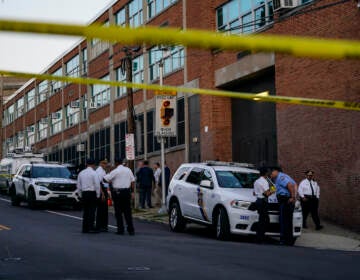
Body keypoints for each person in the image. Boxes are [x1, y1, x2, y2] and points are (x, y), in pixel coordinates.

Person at [104, 158, 135, 235]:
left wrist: (110, 172)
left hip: (118, 193)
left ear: (116, 163)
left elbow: (105, 179)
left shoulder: (115, 171)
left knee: (118, 212)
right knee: (128, 212)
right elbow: (132, 181)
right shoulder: (128, 170)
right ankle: (131, 230)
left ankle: (120, 229)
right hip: (127, 192)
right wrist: (132, 192)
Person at [270, 167, 297, 245]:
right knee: (285, 221)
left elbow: (290, 185)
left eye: (272, 173)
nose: (271, 174)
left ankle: (285, 240)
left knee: (285, 221)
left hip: (286, 201)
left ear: (276, 171)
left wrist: (292, 197)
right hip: (284, 200)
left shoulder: (281, 177)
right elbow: (274, 189)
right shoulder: (277, 179)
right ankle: (287, 240)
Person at [77, 158, 101, 233]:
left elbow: (78, 185)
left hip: (84, 193)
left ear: (86, 164)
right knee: (92, 211)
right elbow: (97, 185)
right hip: (92, 193)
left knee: (85, 211)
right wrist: (98, 195)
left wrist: (80, 194)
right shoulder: (94, 173)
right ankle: (91, 227)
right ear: (93, 164)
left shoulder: (81, 173)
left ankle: (84, 228)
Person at [253, 167, 275, 243]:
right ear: (266, 173)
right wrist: (273, 190)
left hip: (258, 201)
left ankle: (259, 236)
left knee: (262, 219)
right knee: (265, 220)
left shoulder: (256, 181)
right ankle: (260, 237)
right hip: (263, 202)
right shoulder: (264, 182)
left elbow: (254, 193)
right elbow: (267, 193)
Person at [95, 159, 110, 232]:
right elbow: (98, 183)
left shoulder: (103, 170)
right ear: (100, 163)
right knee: (101, 209)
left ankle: (103, 226)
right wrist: (103, 193)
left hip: (104, 189)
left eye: (106, 163)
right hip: (101, 191)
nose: (106, 165)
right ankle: (99, 226)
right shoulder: (99, 171)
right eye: (104, 163)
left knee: (104, 210)